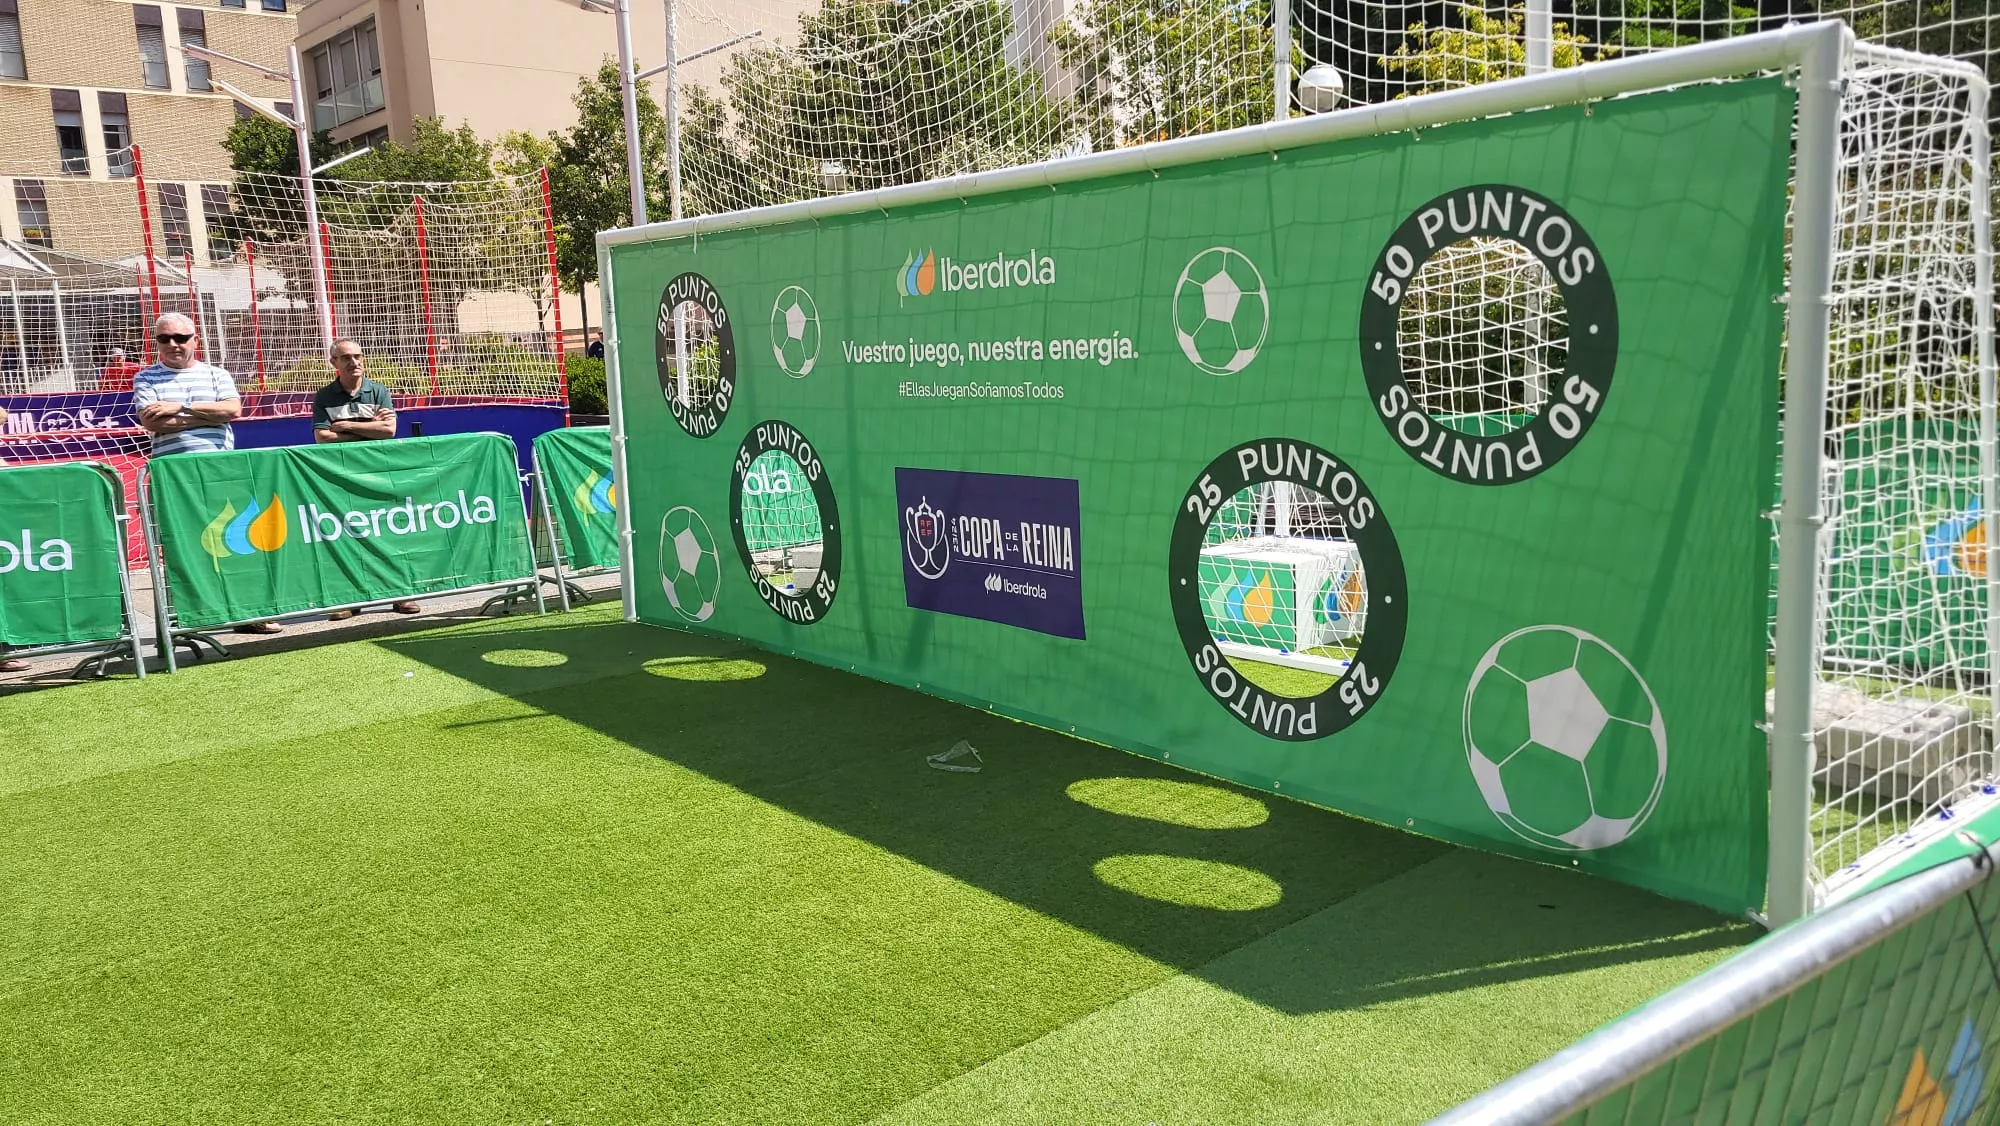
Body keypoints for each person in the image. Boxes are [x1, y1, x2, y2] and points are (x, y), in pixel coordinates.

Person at [132, 312, 280, 635]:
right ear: (156, 342)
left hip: (220, 473)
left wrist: (177, 407)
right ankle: (188, 618)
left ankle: (248, 613)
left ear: (194, 340)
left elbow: (231, 410)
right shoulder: (146, 378)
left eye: (181, 338)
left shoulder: (216, 374)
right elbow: (152, 422)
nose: (173, 344)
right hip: (173, 477)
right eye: (164, 338)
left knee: (236, 543)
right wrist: (205, 414)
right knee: (180, 548)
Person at [312, 338, 420, 618]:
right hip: (343, 476)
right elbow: (323, 438)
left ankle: (401, 595)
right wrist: (371, 426)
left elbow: (390, 431)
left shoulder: (378, 391)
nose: (354, 362)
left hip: (379, 474)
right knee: (349, 535)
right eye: (346, 358)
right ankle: (351, 599)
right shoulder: (325, 397)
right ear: (334, 363)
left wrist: (346, 425)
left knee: (390, 531)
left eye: (358, 356)